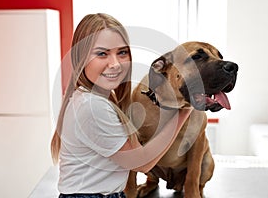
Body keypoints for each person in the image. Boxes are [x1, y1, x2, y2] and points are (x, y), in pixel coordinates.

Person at [51, 13, 191, 198]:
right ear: (81, 58)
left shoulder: (100, 98)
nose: (115, 64)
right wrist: (184, 110)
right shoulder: (92, 106)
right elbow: (142, 162)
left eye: (122, 52)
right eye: (102, 53)